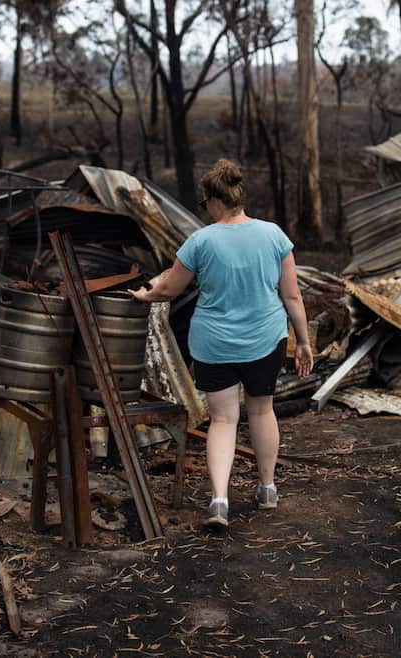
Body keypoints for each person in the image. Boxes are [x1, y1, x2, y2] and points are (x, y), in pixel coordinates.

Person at [127, 159, 313, 530]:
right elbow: (292, 296)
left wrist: (144, 296)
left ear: (214, 200)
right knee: (262, 411)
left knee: (224, 420)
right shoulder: (274, 235)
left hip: (215, 344)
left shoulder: (201, 240)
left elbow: (169, 289)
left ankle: (219, 502)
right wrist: (304, 341)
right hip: (265, 339)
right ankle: (267, 489)